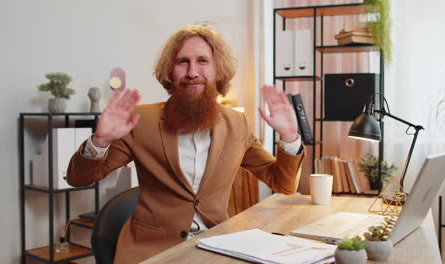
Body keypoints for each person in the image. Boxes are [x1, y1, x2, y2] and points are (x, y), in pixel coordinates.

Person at [67, 24, 304, 264]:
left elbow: (283, 184)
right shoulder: (140, 121)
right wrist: (100, 140)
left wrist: (289, 137)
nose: (192, 72)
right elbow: (79, 179)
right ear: (170, 72)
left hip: (216, 247)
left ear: (219, 71)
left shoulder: (237, 123)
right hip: (152, 252)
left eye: (203, 61)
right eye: (182, 62)